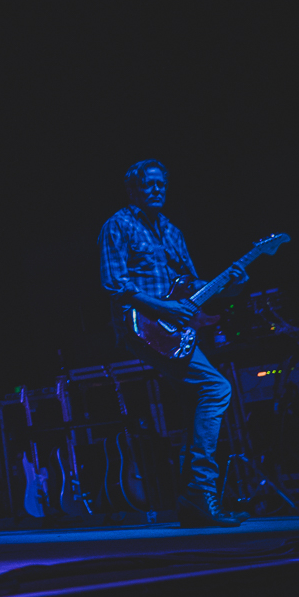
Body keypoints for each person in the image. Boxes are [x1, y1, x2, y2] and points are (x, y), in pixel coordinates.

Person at [98, 159, 248, 528]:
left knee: (201, 397)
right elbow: (115, 284)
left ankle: (191, 502)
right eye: (149, 184)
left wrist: (232, 284)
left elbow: (194, 286)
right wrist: (164, 307)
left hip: (176, 332)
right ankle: (200, 491)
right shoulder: (118, 225)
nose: (157, 189)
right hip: (143, 328)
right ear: (133, 189)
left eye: (162, 184)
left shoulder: (172, 231)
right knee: (215, 388)